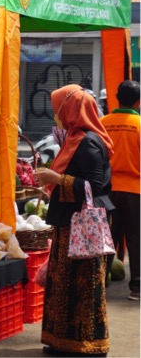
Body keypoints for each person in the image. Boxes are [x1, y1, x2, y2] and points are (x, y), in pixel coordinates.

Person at [33, 84, 114, 357]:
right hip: (69, 221)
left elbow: (96, 186)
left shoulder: (89, 142)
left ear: (69, 110)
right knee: (62, 284)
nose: (54, 114)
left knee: (83, 287)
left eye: (58, 108)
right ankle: (60, 340)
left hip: (82, 225)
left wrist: (58, 180)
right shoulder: (73, 138)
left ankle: (85, 345)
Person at [100, 80, 140, 301]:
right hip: (136, 191)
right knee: (136, 239)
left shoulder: (102, 123)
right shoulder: (139, 124)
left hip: (108, 191)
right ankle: (137, 288)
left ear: (116, 98)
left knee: (107, 238)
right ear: (138, 101)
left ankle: (100, 282)